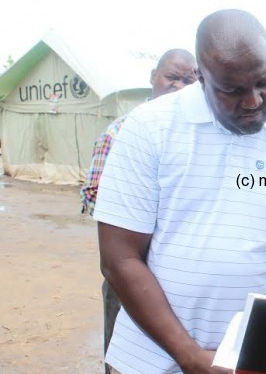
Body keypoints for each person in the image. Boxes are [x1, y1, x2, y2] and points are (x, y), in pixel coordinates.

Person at [94, 9, 266, 374]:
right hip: (146, 359)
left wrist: (241, 349)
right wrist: (189, 356)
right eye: (231, 90)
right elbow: (119, 258)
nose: (252, 101)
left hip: (245, 363)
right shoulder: (149, 127)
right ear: (201, 77)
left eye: (264, 83)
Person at [79, 48, 197, 374]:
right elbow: (93, 195)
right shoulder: (122, 131)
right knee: (128, 360)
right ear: (153, 78)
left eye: (191, 79)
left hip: (180, 280)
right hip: (132, 274)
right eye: (172, 77)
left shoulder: (198, 135)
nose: (181, 86)